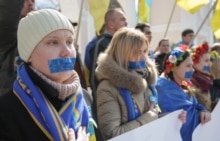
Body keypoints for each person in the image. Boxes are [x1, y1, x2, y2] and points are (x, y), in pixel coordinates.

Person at [0, 9, 90, 141]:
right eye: (53, 42)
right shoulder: (6, 112)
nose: (66, 52)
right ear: (29, 55)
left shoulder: (85, 98)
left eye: (70, 42)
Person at [95, 27, 159, 140]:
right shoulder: (107, 88)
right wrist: (149, 118)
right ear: (122, 53)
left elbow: (154, 112)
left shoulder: (145, 79)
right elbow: (112, 135)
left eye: (144, 51)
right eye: (136, 52)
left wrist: (173, 118)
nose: (143, 56)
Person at [155, 44, 211, 141]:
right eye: (188, 66)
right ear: (174, 67)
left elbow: (196, 106)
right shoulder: (162, 88)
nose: (192, 70)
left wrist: (203, 111)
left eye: (192, 65)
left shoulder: (185, 84)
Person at [88, 8, 127, 141]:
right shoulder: (102, 44)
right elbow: (95, 80)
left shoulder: (122, 44)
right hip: (109, 109)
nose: (126, 23)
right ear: (111, 24)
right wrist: (103, 108)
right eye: (122, 19)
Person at [0, 0, 35, 95]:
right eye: (24, 0)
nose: (30, 3)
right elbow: (8, 12)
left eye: (32, 0)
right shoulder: (7, 38)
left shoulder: (41, 35)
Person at [191, 42, 213, 111]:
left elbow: (208, 107)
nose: (209, 64)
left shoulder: (205, 80)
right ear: (194, 62)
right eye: (206, 61)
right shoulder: (189, 82)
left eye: (209, 60)